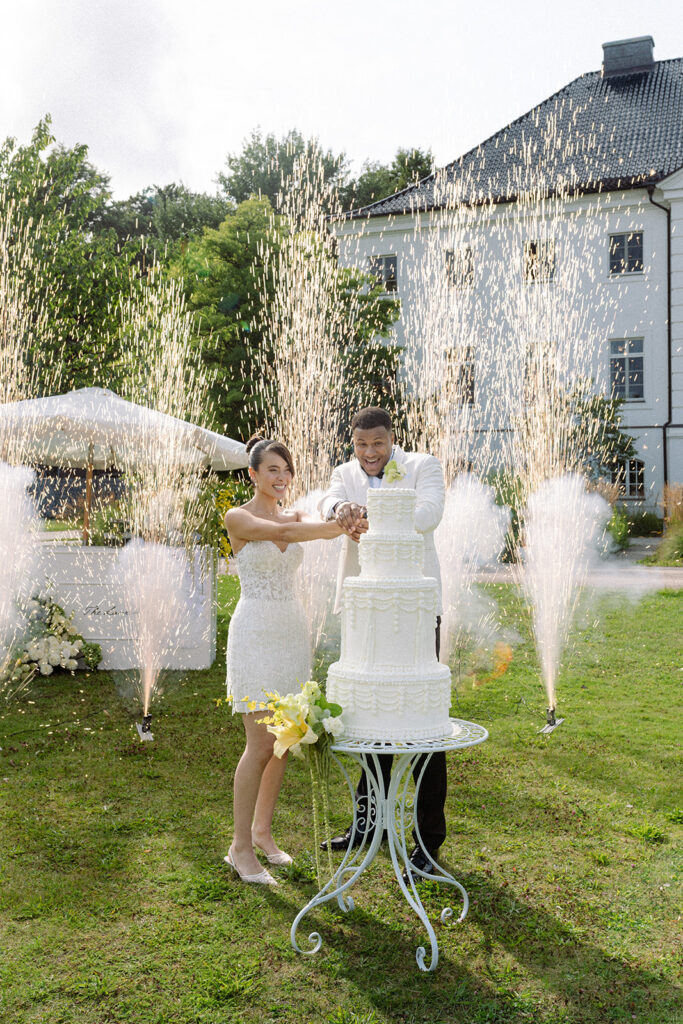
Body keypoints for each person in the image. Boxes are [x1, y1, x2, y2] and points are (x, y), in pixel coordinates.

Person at [318, 407, 447, 879]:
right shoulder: (345, 474)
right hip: (365, 611)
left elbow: (428, 515)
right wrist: (340, 511)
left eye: (377, 444)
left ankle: (428, 841)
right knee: (372, 718)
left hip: (412, 613)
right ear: (353, 444)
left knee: (422, 723)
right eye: (361, 445)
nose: (369, 454)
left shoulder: (422, 467)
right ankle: (366, 824)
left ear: (392, 439)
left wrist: (372, 511)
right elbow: (327, 503)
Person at [224, 435, 348, 885]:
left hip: (291, 633)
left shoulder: (297, 515)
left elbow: (309, 521)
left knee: (283, 743)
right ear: (253, 474)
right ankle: (239, 849)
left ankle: (261, 833)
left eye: (286, 470)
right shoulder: (237, 517)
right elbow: (281, 534)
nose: (280, 477)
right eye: (271, 470)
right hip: (255, 632)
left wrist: (343, 516)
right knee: (258, 745)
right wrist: (338, 527)